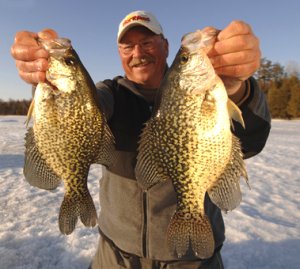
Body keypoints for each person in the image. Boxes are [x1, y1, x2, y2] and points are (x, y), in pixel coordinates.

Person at [11, 10, 271, 269]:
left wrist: (238, 89)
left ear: (165, 46)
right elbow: (88, 105)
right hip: (115, 255)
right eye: (128, 46)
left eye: (147, 43)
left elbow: (252, 138)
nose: (138, 53)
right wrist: (42, 76)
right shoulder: (109, 93)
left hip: (192, 260)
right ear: (120, 52)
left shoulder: (215, 89)